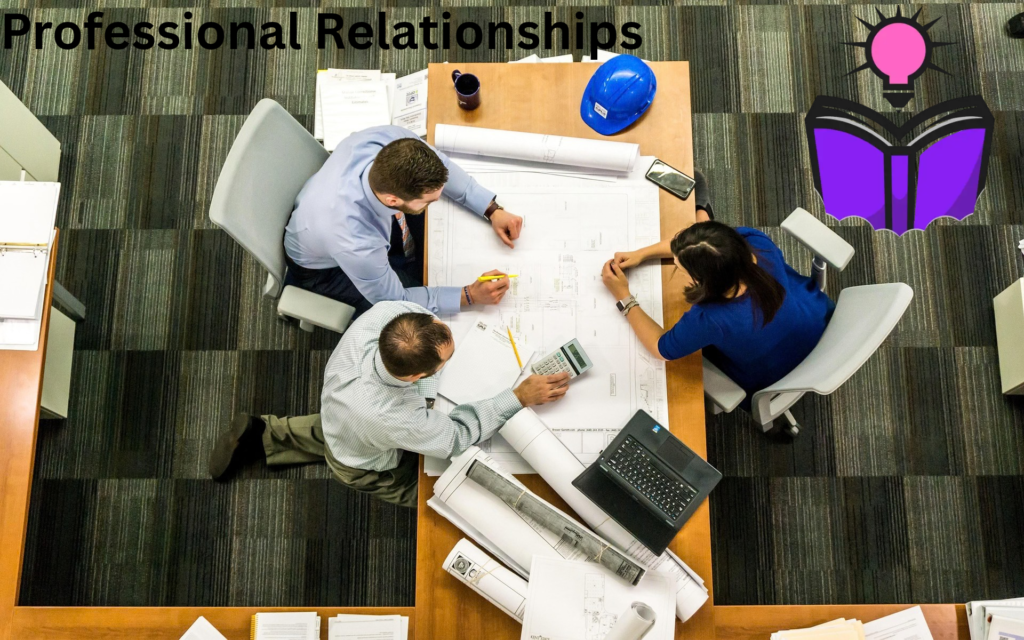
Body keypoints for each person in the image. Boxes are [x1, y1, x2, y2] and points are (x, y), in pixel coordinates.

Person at [208, 301, 570, 507]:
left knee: (338, 429)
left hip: (341, 410)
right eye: (445, 362)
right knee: (435, 494)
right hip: (362, 461)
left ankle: (264, 433)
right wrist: (517, 396)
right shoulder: (393, 417)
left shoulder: (387, 315)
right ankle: (274, 440)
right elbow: (456, 437)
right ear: (416, 376)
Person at [600, 173, 834, 431]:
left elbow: (660, 348)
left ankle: (702, 210)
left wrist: (624, 297)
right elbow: (703, 247)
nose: (677, 267)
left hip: (773, 373)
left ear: (704, 281)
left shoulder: (711, 319)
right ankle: (702, 213)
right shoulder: (755, 243)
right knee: (698, 193)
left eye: (681, 268)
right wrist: (641, 254)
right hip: (816, 320)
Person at [284, 125, 524, 318]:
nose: (437, 200)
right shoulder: (356, 242)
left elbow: (443, 165)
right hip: (324, 270)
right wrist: (469, 295)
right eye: (429, 201)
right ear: (393, 199)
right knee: (414, 313)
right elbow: (395, 300)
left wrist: (491, 209)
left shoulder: (390, 140)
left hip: (325, 213)